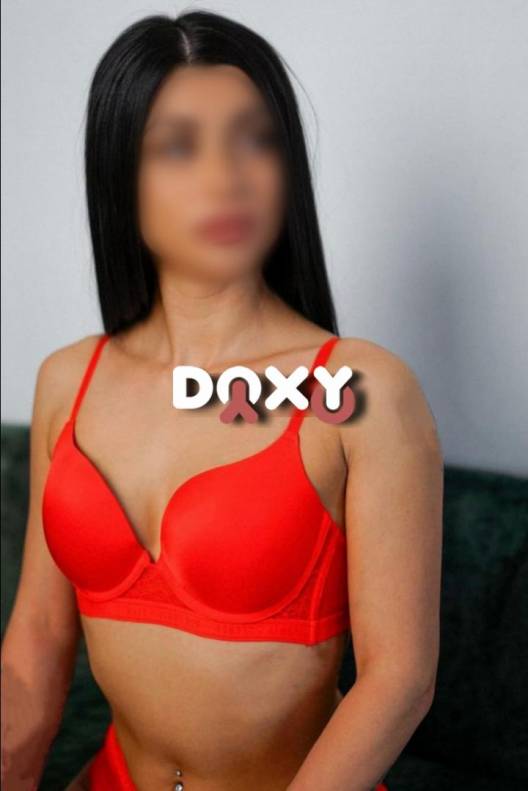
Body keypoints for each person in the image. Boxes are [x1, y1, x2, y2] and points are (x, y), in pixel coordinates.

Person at [1, 10, 443, 790]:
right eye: (178, 146)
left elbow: (399, 679)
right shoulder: (68, 379)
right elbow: (36, 642)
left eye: (255, 139)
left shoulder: (361, 390)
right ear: (120, 175)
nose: (225, 177)